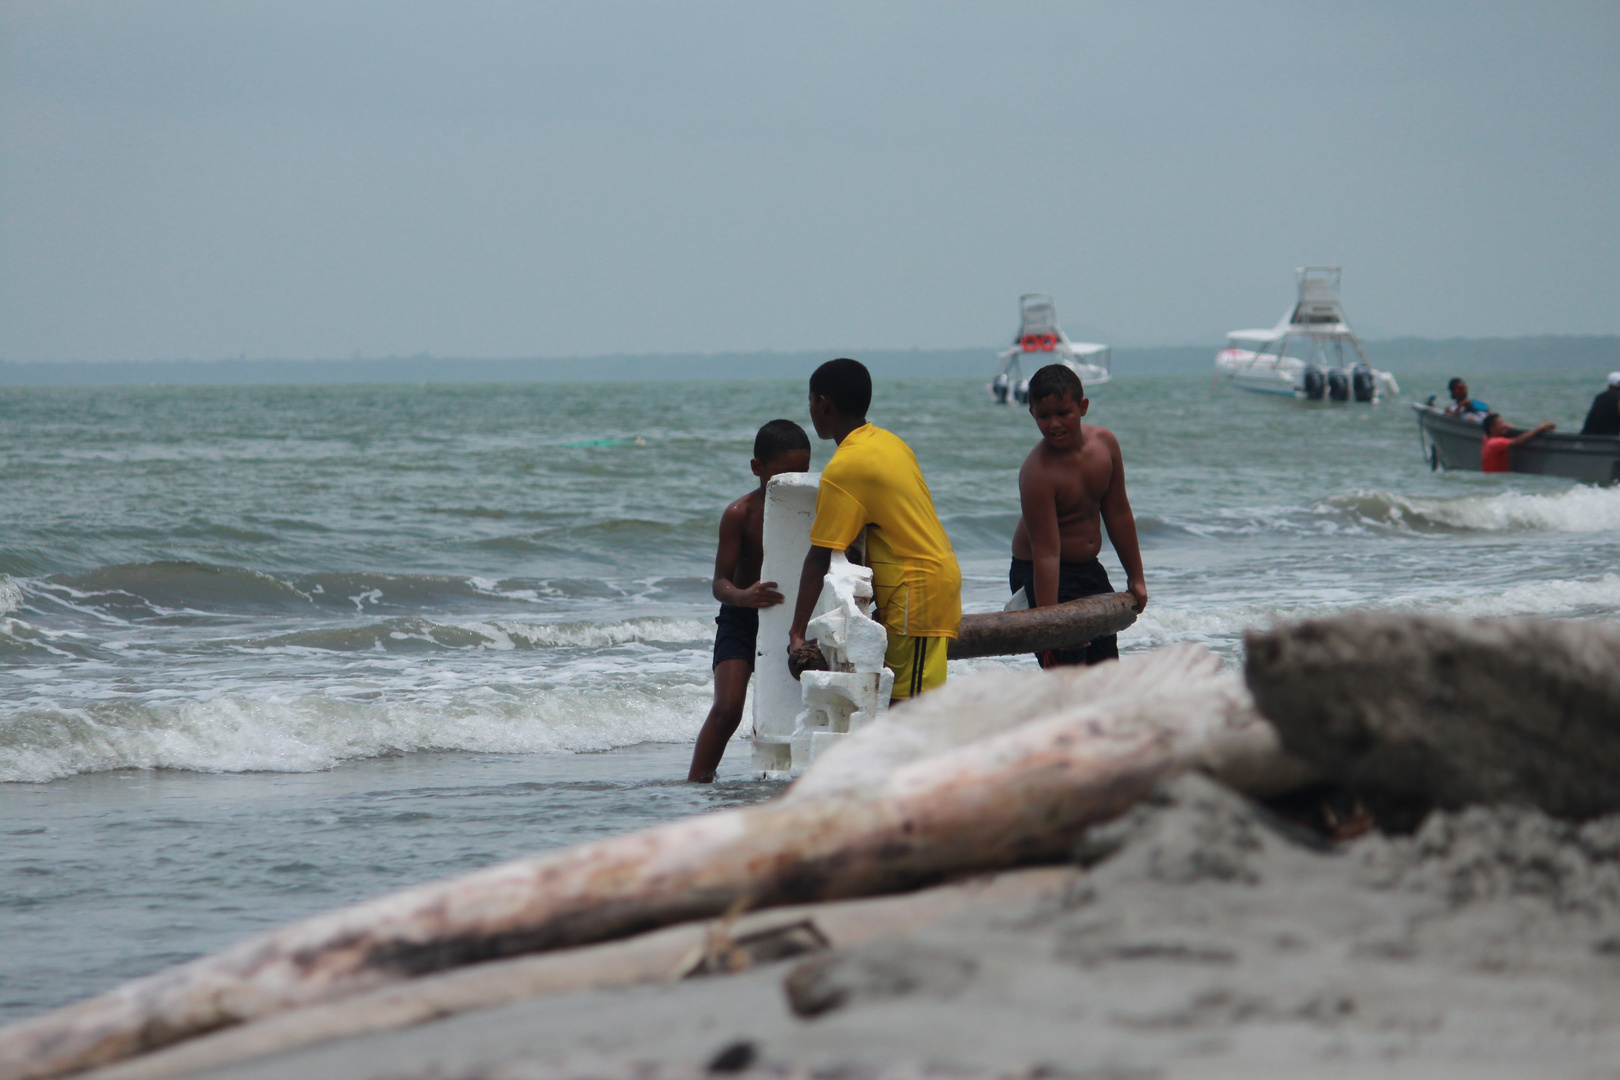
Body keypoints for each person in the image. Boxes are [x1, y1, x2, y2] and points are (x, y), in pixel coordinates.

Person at [787, 358, 961, 703]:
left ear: (824, 403)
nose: (810, 410)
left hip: (917, 592)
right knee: (911, 704)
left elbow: (819, 555)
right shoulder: (889, 443)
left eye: (810, 402)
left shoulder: (846, 466)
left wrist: (796, 632)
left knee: (909, 709)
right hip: (929, 582)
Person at [687, 419, 812, 782]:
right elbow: (719, 583)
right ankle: (695, 783)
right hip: (741, 618)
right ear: (757, 468)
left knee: (800, 708)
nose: (793, 482)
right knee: (727, 709)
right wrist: (742, 596)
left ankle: (793, 776)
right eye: (782, 474)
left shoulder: (812, 508)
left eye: (802, 472)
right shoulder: (740, 514)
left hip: (792, 619)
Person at [1010, 364, 1146, 667]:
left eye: (1063, 413)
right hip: (1039, 572)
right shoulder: (1037, 473)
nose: (1054, 424)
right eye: (1044, 416)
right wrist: (1052, 625)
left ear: (1082, 407)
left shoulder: (1105, 445)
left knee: (1105, 666)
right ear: (1032, 414)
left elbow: (1118, 512)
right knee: (1065, 671)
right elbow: (1046, 552)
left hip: (1087, 569)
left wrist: (1136, 575)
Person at [1480, 412, 1555, 473]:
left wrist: (1505, 427)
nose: (1504, 425)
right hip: (1497, 477)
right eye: (1500, 423)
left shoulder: (1487, 438)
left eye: (1503, 422)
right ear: (1492, 429)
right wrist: (1540, 429)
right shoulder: (1495, 443)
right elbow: (1518, 441)